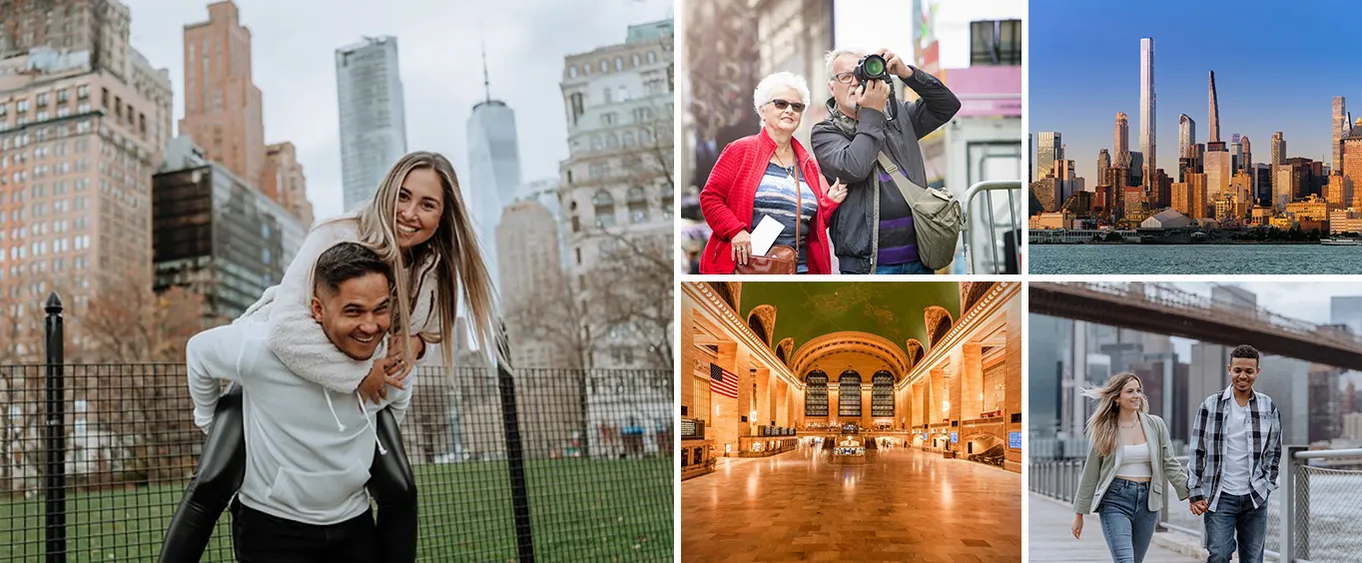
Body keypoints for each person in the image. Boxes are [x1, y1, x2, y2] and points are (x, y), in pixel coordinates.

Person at [159, 151, 498, 562]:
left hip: (357, 365)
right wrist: (357, 379)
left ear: (443, 216)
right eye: (403, 197)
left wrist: (414, 345)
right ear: (386, 192)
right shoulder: (336, 233)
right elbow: (285, 328)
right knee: (213, 481)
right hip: (281, 356)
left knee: (400, 490)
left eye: (427, 205)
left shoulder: (432, 265)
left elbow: (430, 329)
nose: (410, 213)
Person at [186, 243, 408, 561]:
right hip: (271, 528)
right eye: (354, 311)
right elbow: (198, 351)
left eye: (380, 309)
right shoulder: (260, 349)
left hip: (355, 524)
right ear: (318, 309)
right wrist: (208, 421)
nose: (371, 326)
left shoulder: (390, 362)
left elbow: (396, 408)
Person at [811, 48, 961, 275]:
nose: (854, 82)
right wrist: (872, 111)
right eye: (845, 77)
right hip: (868, 266)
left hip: (920, 258)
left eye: (860, 74)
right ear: (832, 87)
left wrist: (907, 73)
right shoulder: (825, 132)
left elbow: (947, 105)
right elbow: (855, 168)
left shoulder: (899, 115)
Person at [698, 71, 847, 274]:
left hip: (798, 271)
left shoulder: (808, 163)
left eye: (797, 106)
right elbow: (710, 198)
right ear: (762, 110)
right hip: (747, 269)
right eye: (780, 104)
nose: (789, 110)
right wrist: (735, 230)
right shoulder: (740, 150)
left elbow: (813, 226)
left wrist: (829, 203)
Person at [1071, 373, 1189, 563]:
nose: (1137, 395)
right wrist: (1079, 514)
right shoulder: (1104, 429)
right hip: (1115, 500)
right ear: (1117, 397)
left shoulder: (1155, 424)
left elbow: (1170, 462)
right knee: (1125, 561)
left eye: (1139, 391)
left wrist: (1191, 494)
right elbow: (1091, 473)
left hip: (1148, 501)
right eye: (1130, 391)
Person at [1187, 345, 1281, 563]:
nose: (1243, 376)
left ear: (1257, 372)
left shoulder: (1269, 407)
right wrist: (1195, 492)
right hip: (1219, 496)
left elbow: (1274, 453)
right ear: (1229, 369)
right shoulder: (1210, 405)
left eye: (1249, 371)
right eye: (1238, 370)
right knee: (1219, 555)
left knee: (1253, 559)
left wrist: (1267, 485)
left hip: (1255, 496)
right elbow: (1196, 450)